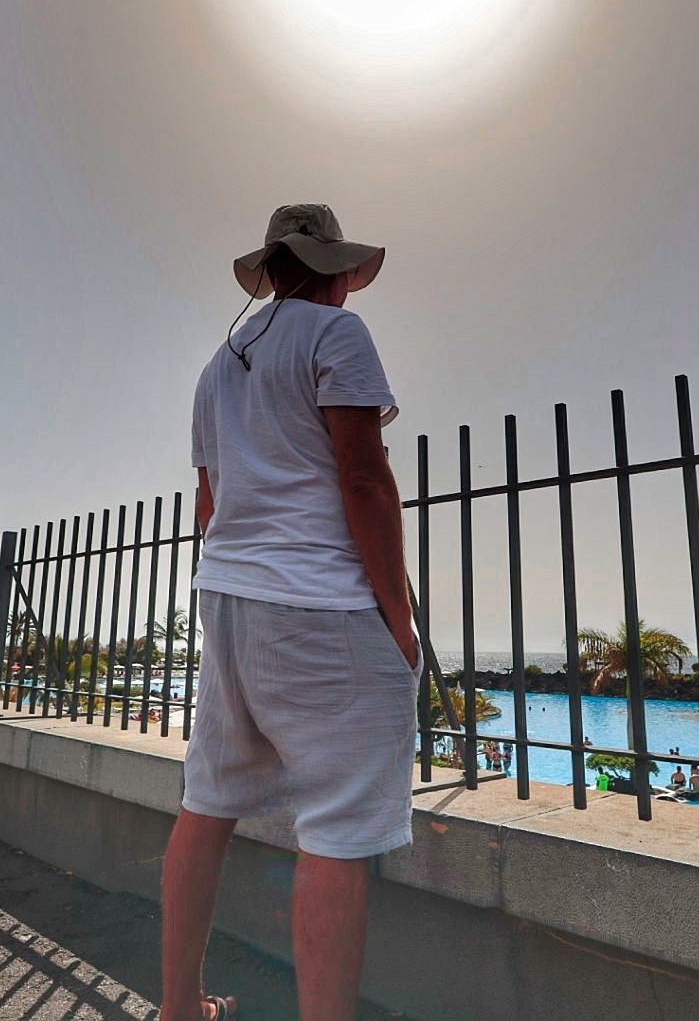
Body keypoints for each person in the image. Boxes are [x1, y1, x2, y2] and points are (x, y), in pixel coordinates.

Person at [160, 204, 408, 1021]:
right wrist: (398, 617)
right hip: (321, 605)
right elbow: (364, 478)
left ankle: (177, 1008)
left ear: (269, 270)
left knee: (207, 804)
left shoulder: (215, 366)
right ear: (335, 270)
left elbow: (209, 501)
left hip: (227, 601)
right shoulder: (337, 335)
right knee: (336, 831)